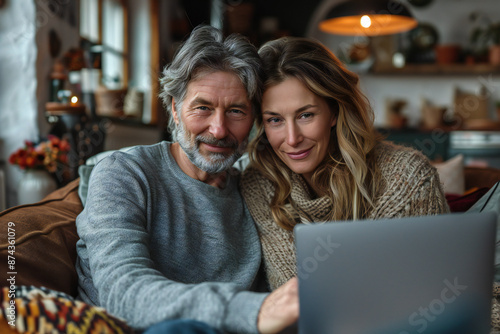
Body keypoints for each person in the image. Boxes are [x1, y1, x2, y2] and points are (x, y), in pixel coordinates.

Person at [75, 25, 298, 334]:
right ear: (175, 109)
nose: (219, 129)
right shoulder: (124, 173)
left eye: (236, 111)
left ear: (253, 121)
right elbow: (123, 292)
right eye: (202, 108)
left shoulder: (257, 190)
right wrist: (254, 310)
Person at [240, 36, 449, 291]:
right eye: (275, 120)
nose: (292, 139)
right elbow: (298, 294)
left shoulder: (409, 178)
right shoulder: (261, 184)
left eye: (306, 115)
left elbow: (438, 287)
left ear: (334, 112)